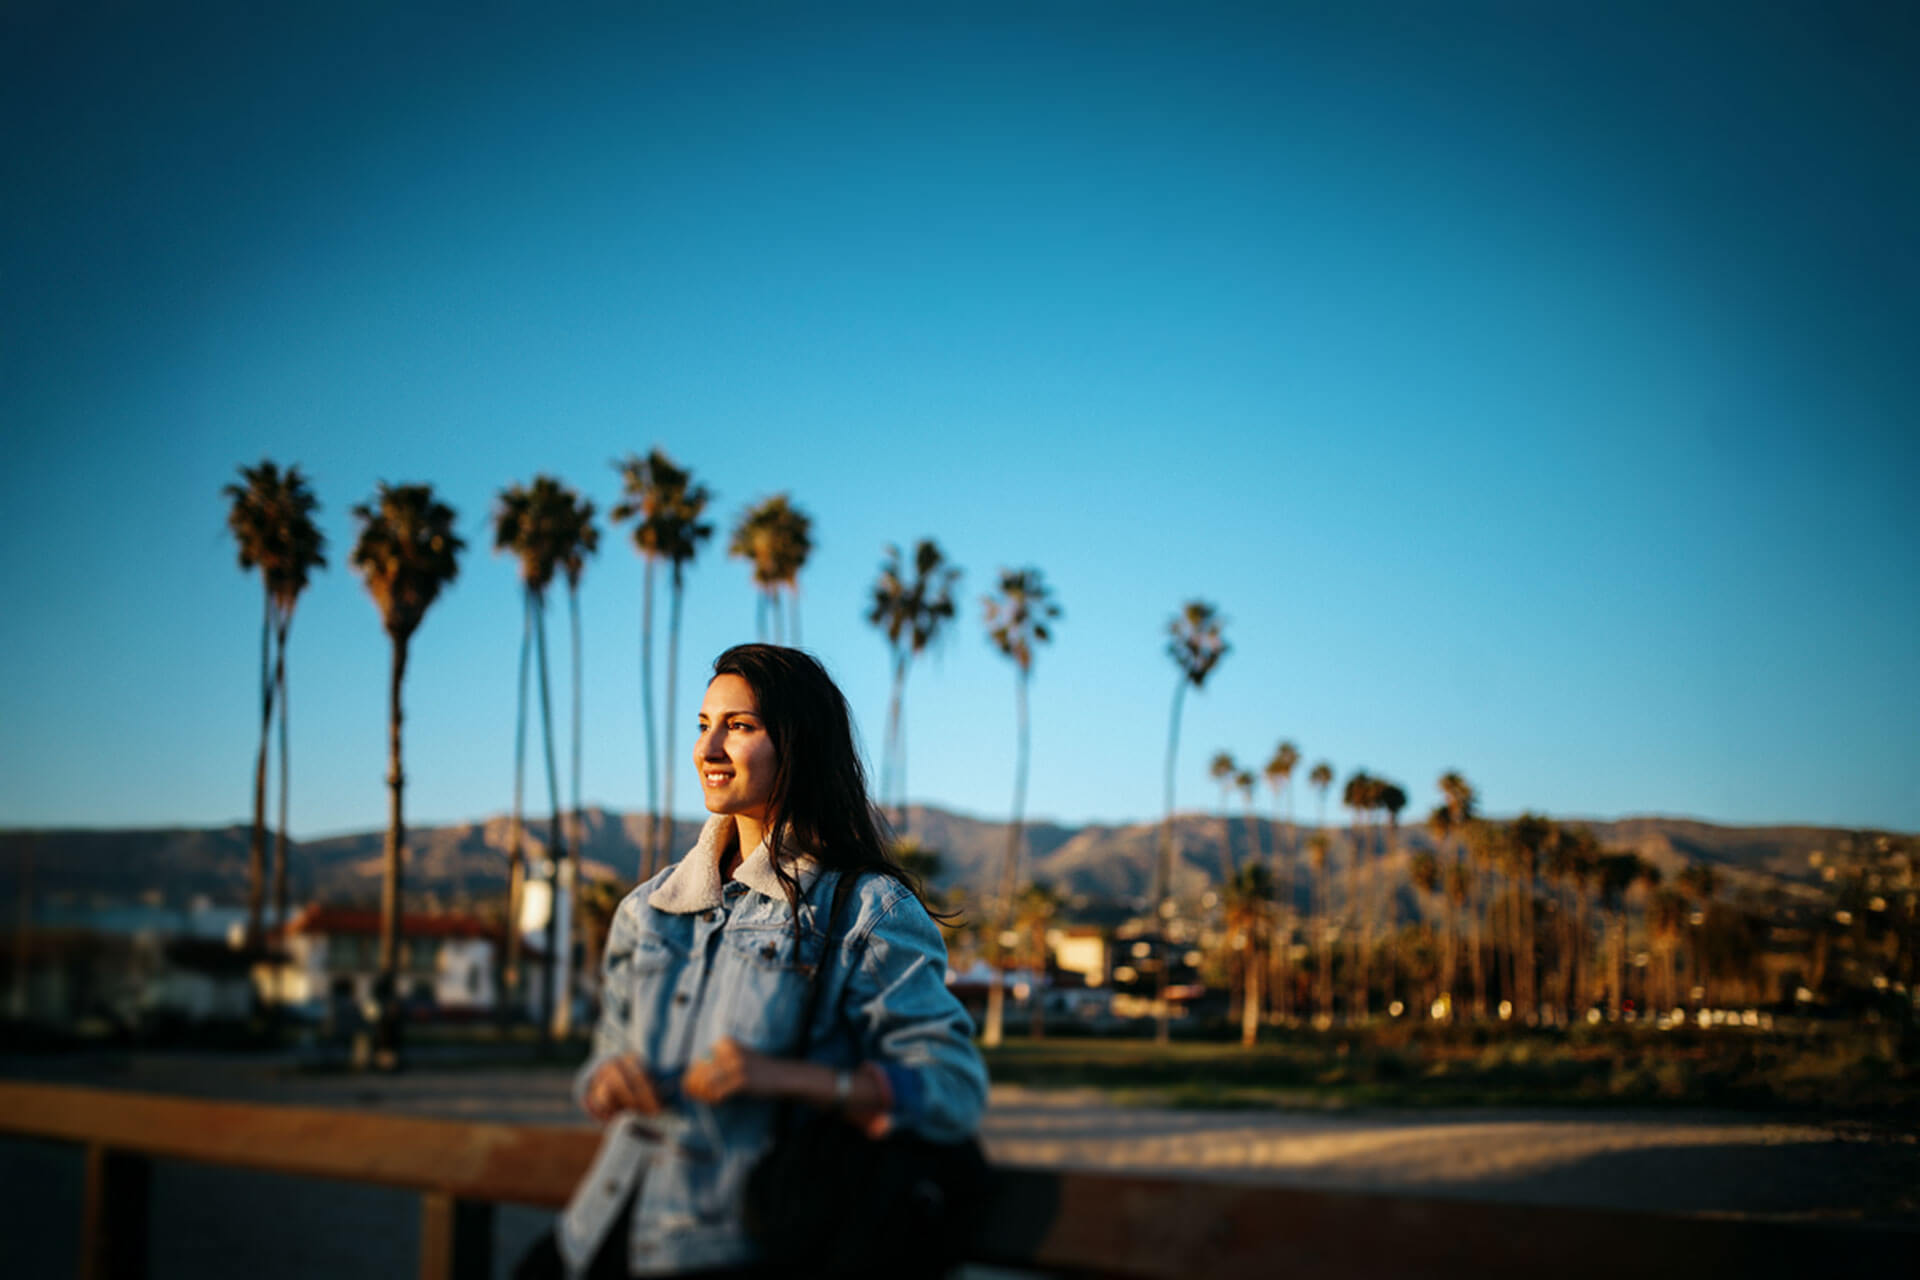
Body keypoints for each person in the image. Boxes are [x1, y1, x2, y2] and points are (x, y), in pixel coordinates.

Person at [534, 643, 988, 1278]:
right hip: (595, 1239)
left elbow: (953, 1090)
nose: (707, 749)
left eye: (738, 727)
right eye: (702, 725)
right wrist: (608, 1081)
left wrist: (790, 1079)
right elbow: (606, 1056)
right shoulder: (648, 910)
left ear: (797, 746)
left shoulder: (867, 911)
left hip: (741, 1248)